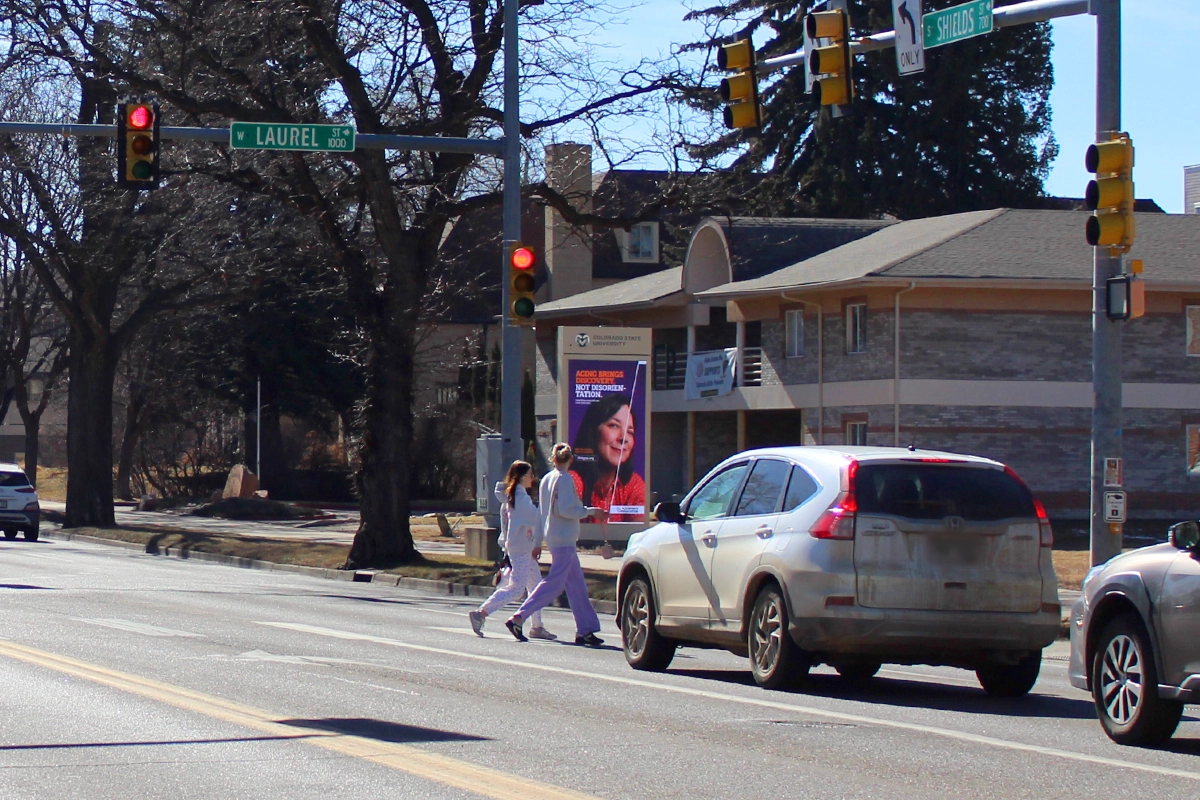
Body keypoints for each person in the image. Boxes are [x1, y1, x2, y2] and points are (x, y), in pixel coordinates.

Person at [505, 443, 608, 646]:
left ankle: (585, 629)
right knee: (554, 584)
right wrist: (591, 511)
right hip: (564, 539)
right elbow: (566, 510)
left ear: (553, 458)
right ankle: (519, 617)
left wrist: (537, 541)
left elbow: (541, 513)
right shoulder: (565, 479)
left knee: (577, 586)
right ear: (570, 459)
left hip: (554, 538)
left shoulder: (547, 479)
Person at [469, 462, 556, 640]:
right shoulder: (519, 498)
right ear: (523, 476)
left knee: (536, 587)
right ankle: (481, 613)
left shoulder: (515, 496)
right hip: (521, 549)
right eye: (530, 474)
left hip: (524, 548)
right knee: (517, 589)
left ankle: (537, 626)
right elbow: (535, 517)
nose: (533, 478)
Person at [570, 393, 646, 522]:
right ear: (593, 431)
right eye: (614, 425)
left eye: (630, 431)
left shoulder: (633, 484)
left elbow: (637, 532)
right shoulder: (573, 480)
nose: (623, 438)